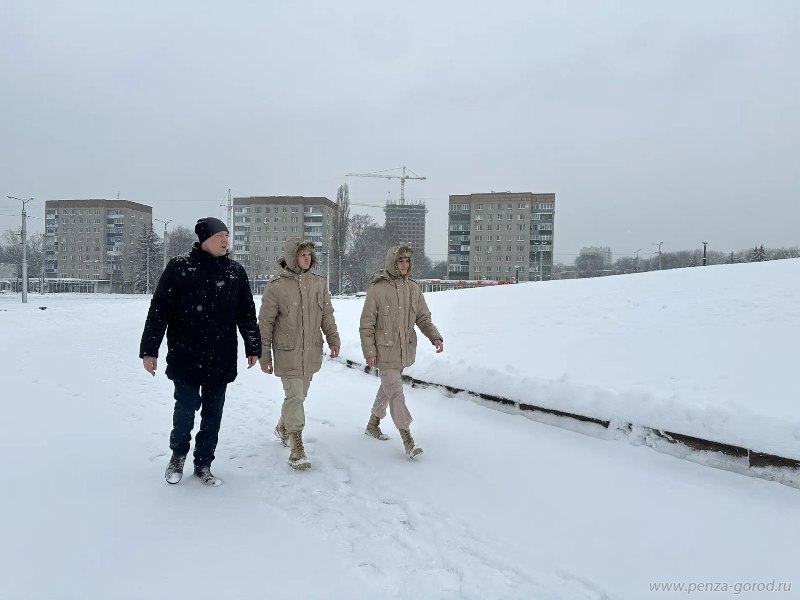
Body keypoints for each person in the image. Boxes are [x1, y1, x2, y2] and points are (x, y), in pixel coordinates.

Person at [140, 217, 261, 486]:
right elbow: (159, 311)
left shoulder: (235, 272)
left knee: (213, 414)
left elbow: (246, 312)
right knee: (185, 409)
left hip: (221, 355)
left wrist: (253, 345)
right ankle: (178, 456)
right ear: (205, 239)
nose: (225, 241)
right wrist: (150, 350)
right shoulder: (180, 267)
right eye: (219, 236)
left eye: (227, 235)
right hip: (186, 354)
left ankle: (204, 463)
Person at [258, 239, 340, 470]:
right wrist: (264, 355)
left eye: (309, 254)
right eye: (302, 254)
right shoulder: (276, 287)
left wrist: (333, 338)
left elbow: (327, 315)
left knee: (299, 396)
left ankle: (282, 427)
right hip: (287, 352)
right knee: (295, 396)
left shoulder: (318, 283)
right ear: (292, 257)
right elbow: (265, 323)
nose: (307, 258)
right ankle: (297, 449)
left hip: (311, 351)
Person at [359, 245, 443, 458]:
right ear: (392, 263)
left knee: (387, 388)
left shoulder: (413, 288)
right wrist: (369, 351)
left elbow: (423, 318)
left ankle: (372, 424)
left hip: (404, 352)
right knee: (396, 392)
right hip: (384, 352)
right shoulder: (377, 289)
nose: (404, 265)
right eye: (400, 261)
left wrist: (434, 336)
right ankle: (408, 439)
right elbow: (367, 324)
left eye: (407, 261)